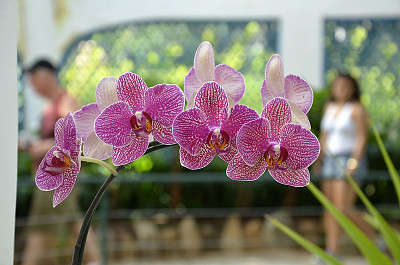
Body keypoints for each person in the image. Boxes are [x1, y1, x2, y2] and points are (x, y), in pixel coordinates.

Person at [19, 59, 100, 265]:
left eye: (33, 77)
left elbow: (77, 137)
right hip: (55, 177)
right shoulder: (51, 107)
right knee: (75, 226)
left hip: (58, 177)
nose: (31, 83)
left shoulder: (65, 102)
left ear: (47, 75)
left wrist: (40, 147)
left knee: (39, 229)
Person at [313, 73, 375, 257]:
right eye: (338, 85)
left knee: (343, 208)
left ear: (353, 88)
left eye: (346, 86)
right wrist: (318, 159)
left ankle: (377, 241)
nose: (342, 89)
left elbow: (362, 138)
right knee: (330, 208)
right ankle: (332, 251)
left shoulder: (357, 109)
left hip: (348, 159)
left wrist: (354, 161)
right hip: (329, 161)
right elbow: (324, 136)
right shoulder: (329, 107)